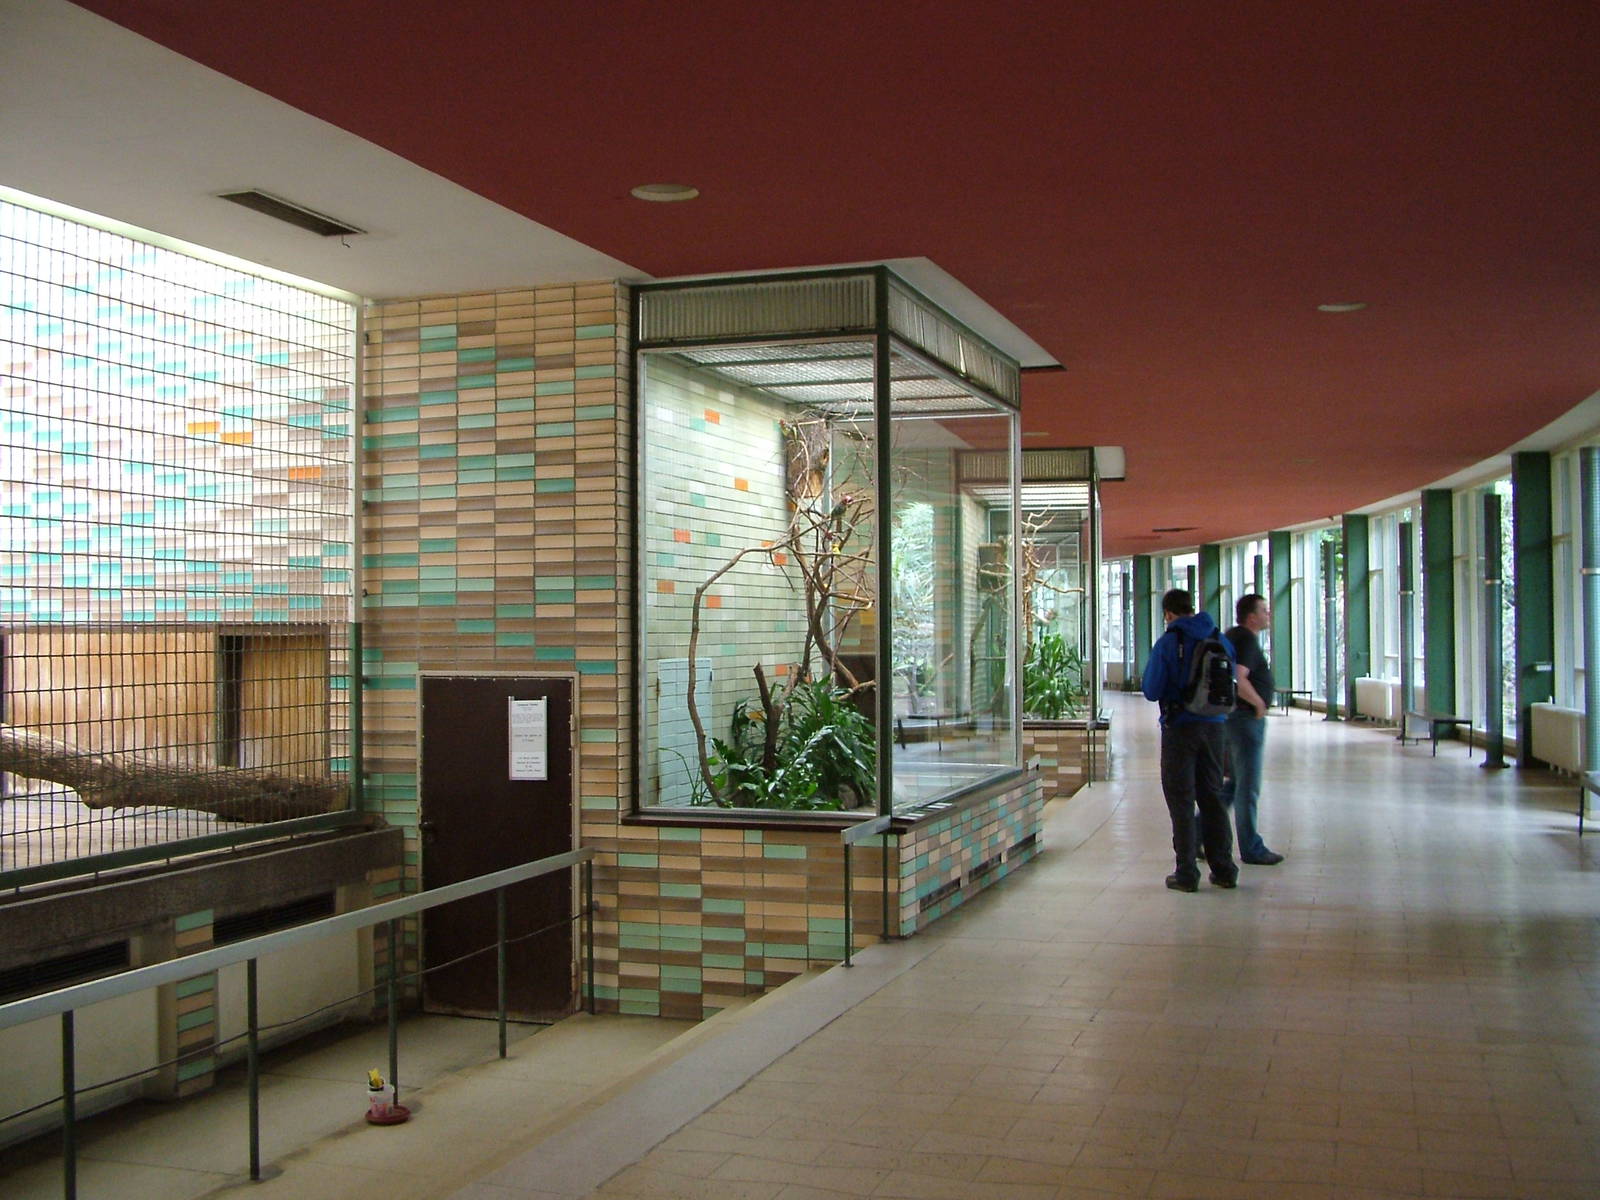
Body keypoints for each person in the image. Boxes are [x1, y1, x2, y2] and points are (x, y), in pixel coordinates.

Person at [1141, 588, 1240, 892]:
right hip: (1215, 728)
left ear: (1168, 613)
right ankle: (1224, 869)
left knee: (1181, 800)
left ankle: (1186, 873)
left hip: (1180, 728)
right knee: (1212, 797)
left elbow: (1151, 690)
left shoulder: (1168, 643)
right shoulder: (1219, 639)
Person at [1220, 593, 1285, 865]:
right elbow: (1239, 675)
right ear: (1251, 616)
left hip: (1233, 718)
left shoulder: (1233, 636)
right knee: (1248, 786)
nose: (1268, 614)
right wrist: (1258, 703)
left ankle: (1200, 833)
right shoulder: (1245, 638)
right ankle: (1251, 847)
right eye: (1264, 610)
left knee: (1234, 785)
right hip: (1245, 720)